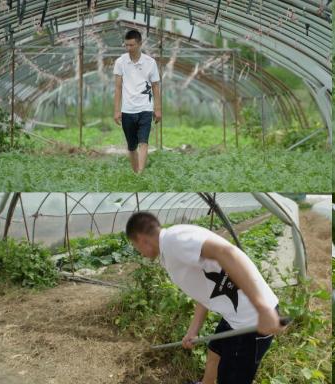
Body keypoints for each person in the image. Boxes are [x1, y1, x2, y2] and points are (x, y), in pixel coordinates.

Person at [125, 212, 282, 384]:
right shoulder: (170, 247)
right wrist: (193, 330)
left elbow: (226, 252)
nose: (139, 253)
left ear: (141, 239)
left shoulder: (173, 240)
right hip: (235, 316)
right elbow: (205, 290)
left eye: (135, 246)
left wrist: (263, 308)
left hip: (252, 321)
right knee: (215, 352)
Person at [113, 29, 161, 173]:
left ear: (140, 44)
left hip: (145, 108)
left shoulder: (150, 63)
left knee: (143, 142)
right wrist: (117, 110)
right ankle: (136, 175)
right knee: (131, 146)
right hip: (127, 109)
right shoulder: (120, 62)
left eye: (131, 45)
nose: (129, 48)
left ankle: (140, 173)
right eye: (126, 45)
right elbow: (117, 87)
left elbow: (155, 86)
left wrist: (157, 109)